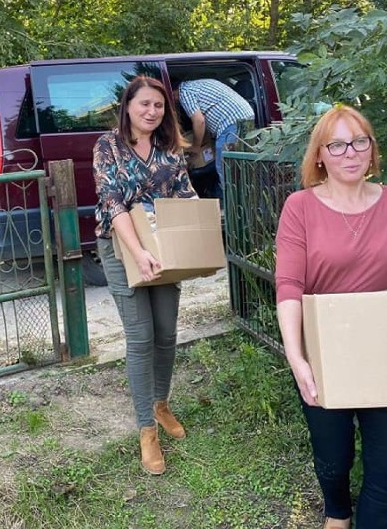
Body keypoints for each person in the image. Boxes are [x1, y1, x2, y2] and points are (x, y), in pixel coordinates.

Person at [274, 105, 387, 529]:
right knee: (334, 460)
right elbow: (289, 286)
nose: (349, 152)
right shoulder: (300, 207)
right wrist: (297, 359)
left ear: (372, 150)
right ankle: (337, 513)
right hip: (325, 353)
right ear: (320, 155)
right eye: (337, 144)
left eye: (359, 141)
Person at [93, 75, 198, 475]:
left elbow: (185, 196)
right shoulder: (108, 147)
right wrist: (137, 254)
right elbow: (112, 202)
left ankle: (161, 401)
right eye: (144, 105)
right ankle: (146, 428)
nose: (152, 112)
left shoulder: (171, 149)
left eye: (158, 106)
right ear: (128, 107)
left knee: (167, 332)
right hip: (122, 247)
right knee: (141, 337)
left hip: (164, 247)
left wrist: (200, 234)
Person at [175, 78, 254, 199]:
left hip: (231, 123)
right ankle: (238, 200)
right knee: (238, 167)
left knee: (225, 168)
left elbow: (199, 121)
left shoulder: (184, 92)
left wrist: (196, 147)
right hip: (244, 118)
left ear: (173, 93)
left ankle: (233, 208)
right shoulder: (197, 85)